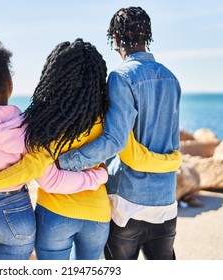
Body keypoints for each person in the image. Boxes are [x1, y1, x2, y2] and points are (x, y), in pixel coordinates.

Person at [0, 38, 182, 260]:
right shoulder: (106, 118)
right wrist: (173, 161)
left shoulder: (46, 122)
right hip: (97, 216)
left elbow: (28, 169)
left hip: (55, 216)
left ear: (53, 76)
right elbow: (128, 150)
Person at [0, 36, 112, 260]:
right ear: (10, 83)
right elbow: (47, 178)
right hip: (18, 214)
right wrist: (99, 176)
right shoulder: (28, 127)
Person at [57, 7, 182, 260]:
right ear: (147, 35)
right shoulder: (171, 78)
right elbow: (171, 141)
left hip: (128, 202)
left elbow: (114, 140)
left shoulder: (120, 77)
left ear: (115, 38)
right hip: (166, 200)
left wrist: (65, 161)